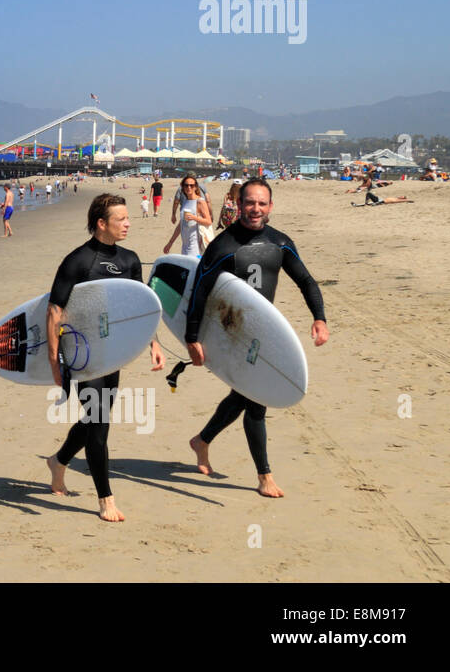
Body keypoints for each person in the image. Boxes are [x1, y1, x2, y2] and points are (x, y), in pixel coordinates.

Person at [185, 178, 329, 497]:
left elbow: (306, 281)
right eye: (250, 202)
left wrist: (319, 318)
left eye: (262, 203)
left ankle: (203, 440)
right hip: (230, 332)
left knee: (244, 393)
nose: (255, 209)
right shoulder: (223, 246)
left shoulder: (280, 243)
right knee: (256, 399)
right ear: (239, 204)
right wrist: (192, 337)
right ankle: (264, 476)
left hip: (263, 333)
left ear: (271, 207)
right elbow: (199, 293)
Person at [46, 194, 165, 522]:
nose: (128, 223)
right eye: (121, 219)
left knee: (93, 419)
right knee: (99, 424)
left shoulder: (130, 260)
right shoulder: (78, 261)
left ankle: (58, 461)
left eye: (128, 218)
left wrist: (153, 343)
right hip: (82, 355)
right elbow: (55, 310)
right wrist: (55, 360)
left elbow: (139, 309)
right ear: (102, 223)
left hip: (112, 354)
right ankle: (105, 499)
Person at [164, 175, 212, 256]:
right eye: (186, 185)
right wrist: (170, 243)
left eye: (191, 185)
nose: (189, 187)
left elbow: (209, 221)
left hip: (195, 245)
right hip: (185, 245)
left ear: (196, 187)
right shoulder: (185, 202)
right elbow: (180, 225)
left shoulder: (200, 201)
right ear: (183, 187)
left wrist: (194, 218)